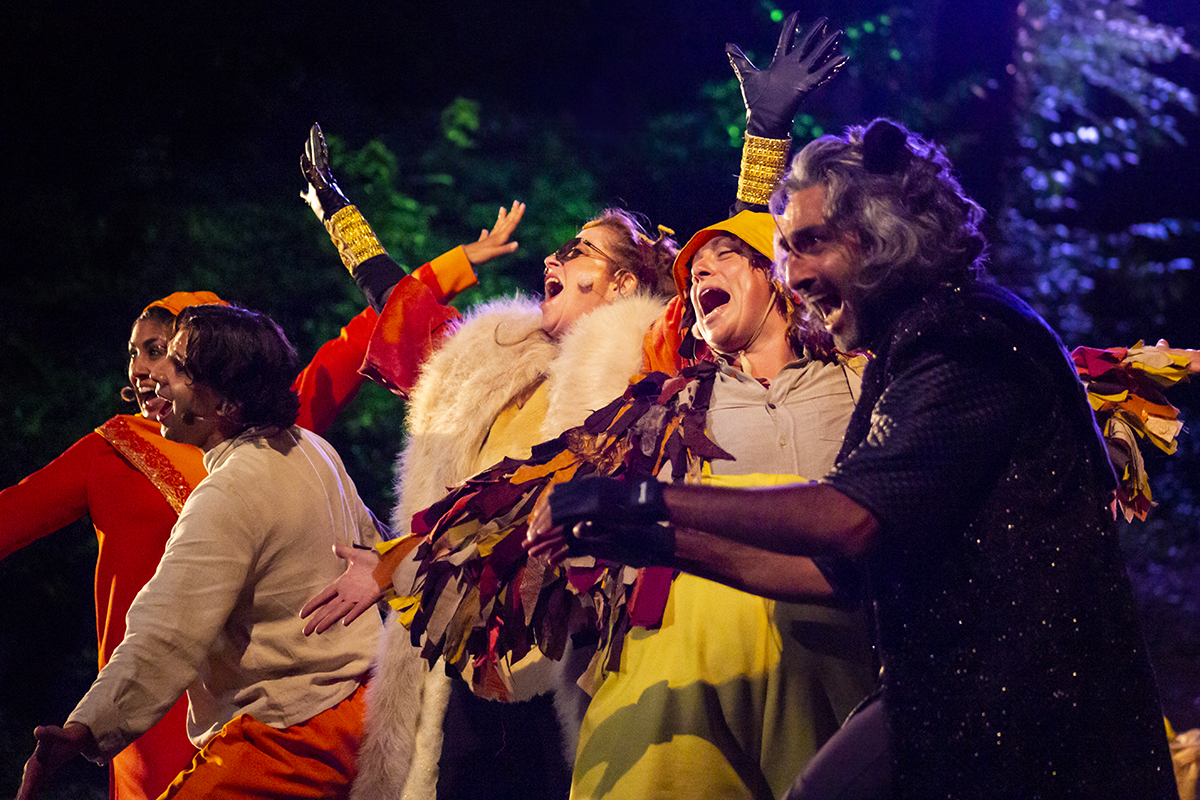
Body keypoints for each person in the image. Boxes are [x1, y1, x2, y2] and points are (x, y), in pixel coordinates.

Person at [527, 119, 1179, 798]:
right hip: (953, 692)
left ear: (881, 236)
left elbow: (853, 519)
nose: (793, 272)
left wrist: (642, 499)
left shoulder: (964, 337)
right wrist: (662, 542)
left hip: (1032, 712)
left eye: (808, 245)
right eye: (784, 250)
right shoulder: (904, 347)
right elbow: (838, 571)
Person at [0, 290, 382, 800]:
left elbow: (166, 634)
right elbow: (377, 546)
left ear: (222, 402)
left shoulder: (227, 491)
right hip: (363, 712)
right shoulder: (314, 449)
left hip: (290, 736)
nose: (156, 377)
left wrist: (84, 730)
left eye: (177, 366)